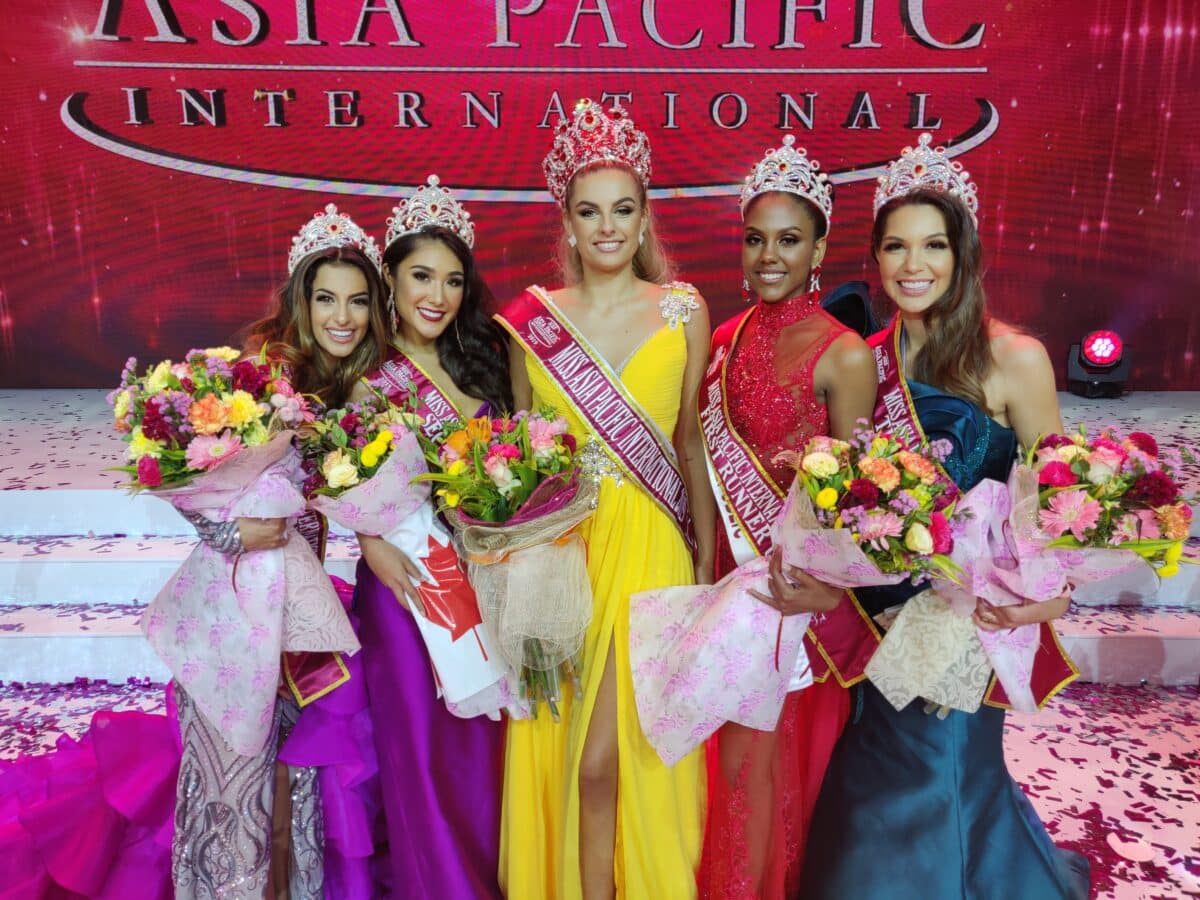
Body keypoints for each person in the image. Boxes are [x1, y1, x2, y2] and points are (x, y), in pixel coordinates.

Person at [0, 203, 390, 899]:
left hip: (300, 622)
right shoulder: (254, 383)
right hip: (232, 616)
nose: (343, 316)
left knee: (291, 798)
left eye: (358, 301)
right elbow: (195, 489)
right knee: (230, 796)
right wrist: (232, 534)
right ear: (299, 300)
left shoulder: (362, 390)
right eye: (325, 297)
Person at [800, 135, 1089, 900]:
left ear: (963, 254)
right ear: (876, 255)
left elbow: (1061, 495)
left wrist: (1047, 591)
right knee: (867, 786)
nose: (913, 265)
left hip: (964, 620)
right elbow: (842, 493)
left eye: (934, 245)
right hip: (876, 617)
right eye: (896, 246)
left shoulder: (1014, 358)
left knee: (940, 780)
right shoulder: (862, 357)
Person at [494, 98, 715, 900]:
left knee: (610, 756)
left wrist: (703, 558)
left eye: (624, 209)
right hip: (563, 551)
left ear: (646, 213)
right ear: (568, 221)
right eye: (590, 212)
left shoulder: (684, 311)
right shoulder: (533, 321)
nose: (608, 227)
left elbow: (689, 442)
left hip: (652, 549)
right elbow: (520, 461)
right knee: (563, 738)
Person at [695, 137, 877, 899]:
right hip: (728, 596)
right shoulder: (721, 341)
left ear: (820, 247)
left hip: (796, 604)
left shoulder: (845, 355)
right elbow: (700, 461)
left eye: (789, 240)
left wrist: (812, 585)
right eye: (756, 238)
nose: (770, 256)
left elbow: (853, 495)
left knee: (777, 773)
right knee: (724, 770)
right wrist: (707, 566)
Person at [354, 175, 512, 899]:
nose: (437, 295)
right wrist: (367, 541)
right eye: (421, 275)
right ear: (388, 277)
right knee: (420, 748)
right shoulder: (363, 375)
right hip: (404, 585)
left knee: (480, 750)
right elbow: (334, 482)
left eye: (452, 280)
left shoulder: (483, 360)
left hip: (483, 580)